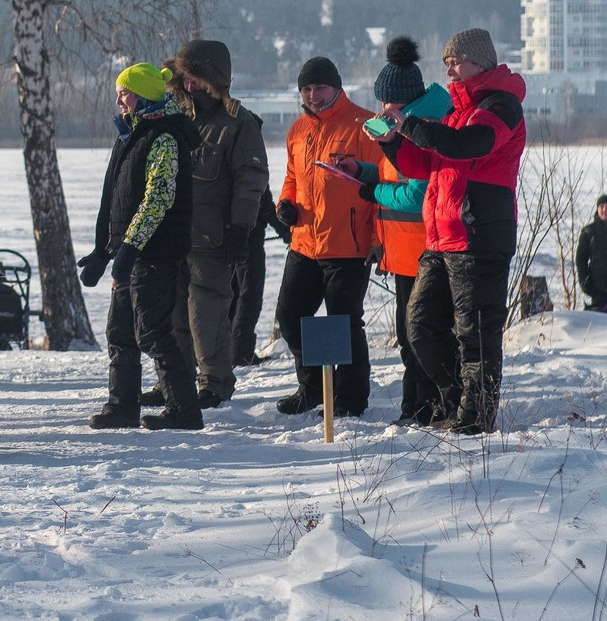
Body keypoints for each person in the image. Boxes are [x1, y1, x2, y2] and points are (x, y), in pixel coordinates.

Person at [377, 28, 527, 434]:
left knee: (475, 334)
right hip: (441, 237)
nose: (450, 69)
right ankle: (457, 398)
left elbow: (469, 145)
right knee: (420, 325)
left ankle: (475, 418)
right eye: (446, 63)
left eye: (456, 62)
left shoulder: (502, 106)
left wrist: (411, 125)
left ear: (480, 61)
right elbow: (422, 165)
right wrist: (392, 141)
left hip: (479, 234)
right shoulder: (455, 111)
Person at [80, 63, 204, 430]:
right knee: (119, 331)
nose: (119, 100)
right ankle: (122, 406)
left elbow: (157, 200)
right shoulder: (134, 134)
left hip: (155, 255)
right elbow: (117, 199)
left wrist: (131, 247)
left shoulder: (163, 136)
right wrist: (105, 250)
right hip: (130, 253)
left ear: (145, 95)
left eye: (125, 93)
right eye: (119, 93)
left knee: (151, 332)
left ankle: (185, 410)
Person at [164, 40, 268, 407]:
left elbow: (251, 180)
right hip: (174, 238)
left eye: (198, 80)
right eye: (186, 80)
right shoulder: (174, 118)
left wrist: (241, 229)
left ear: (216, 81)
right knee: (173, 318)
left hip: (213, 240)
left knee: (205, 318)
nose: (191, 87)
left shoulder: (238, 124)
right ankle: (173, 383)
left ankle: (215, 383)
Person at [273, 56, 377, 417]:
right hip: (304, 241)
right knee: (290, 316)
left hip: (348, 243)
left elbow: (382, 182)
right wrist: (285, 203)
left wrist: (380, 239)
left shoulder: (364, 126)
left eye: (319, 88)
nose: (313, 95)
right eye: (306, 89)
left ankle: (349, 400)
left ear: (336, 86)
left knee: (343, 322)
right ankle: (315, 388)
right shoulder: (298, 130)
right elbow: (292, 177)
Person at [365, 38, 454, 425]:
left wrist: (375, 191)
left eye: (389, 104)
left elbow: (418, 193)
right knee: (408, 336)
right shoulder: (398, 128)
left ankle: (431, 406)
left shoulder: (424, 127)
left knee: (422, 335)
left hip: (427, 249)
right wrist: (364, 174)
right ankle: (415, 407)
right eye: (381, 103)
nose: (384, 110)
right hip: (401, 252)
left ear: (406, 101)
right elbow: (394, 176)